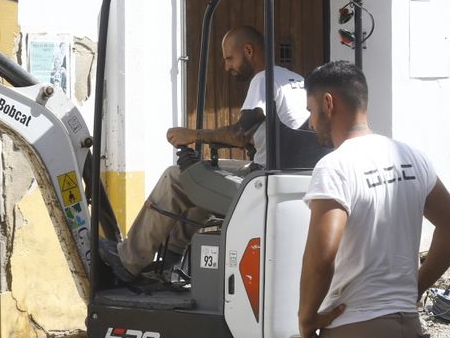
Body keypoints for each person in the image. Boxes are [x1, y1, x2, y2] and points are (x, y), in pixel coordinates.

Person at [296, 60, 450, 338]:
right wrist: (416, 285)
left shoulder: (335, 167)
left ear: (328, 103)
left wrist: (307, 316)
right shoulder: (411, 158)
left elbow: (322, 255)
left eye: (310, 110)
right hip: (404, 330)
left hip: (356, 332)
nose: (309, 122)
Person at [99, 25, 309, 281]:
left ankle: (129, 260)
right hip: (286, 179)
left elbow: (238, 135)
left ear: (249, 51)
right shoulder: (295, 80)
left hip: (261, 185)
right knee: (204, 175)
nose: (226, 66)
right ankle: (172, 258)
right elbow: (259, 136)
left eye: (229, 58)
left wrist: (194, 135)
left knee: (176, 176)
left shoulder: (262, 80)